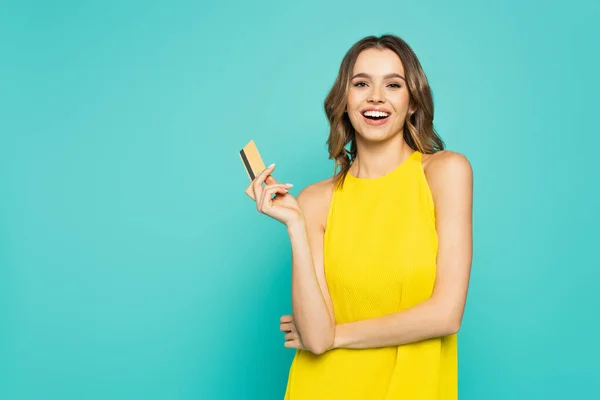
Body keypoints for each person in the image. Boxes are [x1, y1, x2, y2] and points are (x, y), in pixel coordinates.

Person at [244, 34, 473, 400]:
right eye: (361, 83)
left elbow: (446, 315)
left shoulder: (445, 173)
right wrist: (296, 225)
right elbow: (315, 339)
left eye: (393, 85)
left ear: (412, 101)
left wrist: (337, 334)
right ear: (344, 101)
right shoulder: (316, 200)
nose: (376, 97)